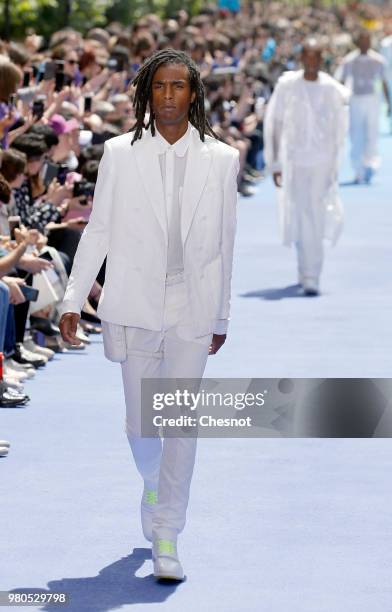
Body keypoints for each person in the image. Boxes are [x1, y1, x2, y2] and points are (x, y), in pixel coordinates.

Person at [59, 48, 240, 581]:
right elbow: (99, 229)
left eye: (177, 87)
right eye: (158, 86)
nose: (167, 97)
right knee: (144, 423)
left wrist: (222, 316)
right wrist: (72, 298)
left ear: (193, 94)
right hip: (134, 303)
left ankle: (167, 533)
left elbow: (227, 245)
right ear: (146, 91)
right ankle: (152, 482)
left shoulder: (223, 158)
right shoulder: (119, 152)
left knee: (179, 424)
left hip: (194, 305)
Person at [264, 38, 350, 296]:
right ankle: (305, 269)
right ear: (302, 59)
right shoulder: (287, 85)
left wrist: (336, 164)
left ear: (322, 59)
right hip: (296, 161)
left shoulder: (333, 89)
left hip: (322, 161)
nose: (311, 62)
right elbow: (275, 123)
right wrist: (276, 163)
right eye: (307, 57)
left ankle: (313, 274)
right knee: (300, 212)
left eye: (316, 57)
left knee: (316, 211)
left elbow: (339, 131)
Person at [339, 30, 391, 184]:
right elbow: (342, 82)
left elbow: (383, 82)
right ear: (357, 42)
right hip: (356, 99)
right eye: (362, 40)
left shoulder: (378, 60)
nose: (364, 43)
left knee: (371, 133)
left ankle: (370, 164)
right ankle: (358, 169)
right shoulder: (349, 60)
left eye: (367, 40)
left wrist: (389, 103)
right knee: (356, 134)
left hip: (372, 100)